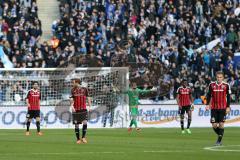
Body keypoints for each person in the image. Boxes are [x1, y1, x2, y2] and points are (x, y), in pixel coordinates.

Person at [206, 71, 231, 146]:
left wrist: (228, 107)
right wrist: (207, 104)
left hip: (223, 107)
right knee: (214, 125)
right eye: (218, 77)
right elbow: (208, 95)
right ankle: (221, 134)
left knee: (221, 124)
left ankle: (219, 141)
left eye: (220, 77)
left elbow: (229, 97)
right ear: (216, 77)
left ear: (223, 78)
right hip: (213, 107)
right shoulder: (211, 85)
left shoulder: (226, 85)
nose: (219, 78)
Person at [70, 79, 91, 144]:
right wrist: (72, 106)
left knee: (85, 122)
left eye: (73, 83)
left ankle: (83, 137)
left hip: (83, 109)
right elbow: (71, 99)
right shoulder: (73, 90)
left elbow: (88, 97)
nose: (72, 84)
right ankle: (78, 139)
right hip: (76, 109)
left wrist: (90, 106)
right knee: (76, 125)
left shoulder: (85, 89)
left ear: (77, 83)